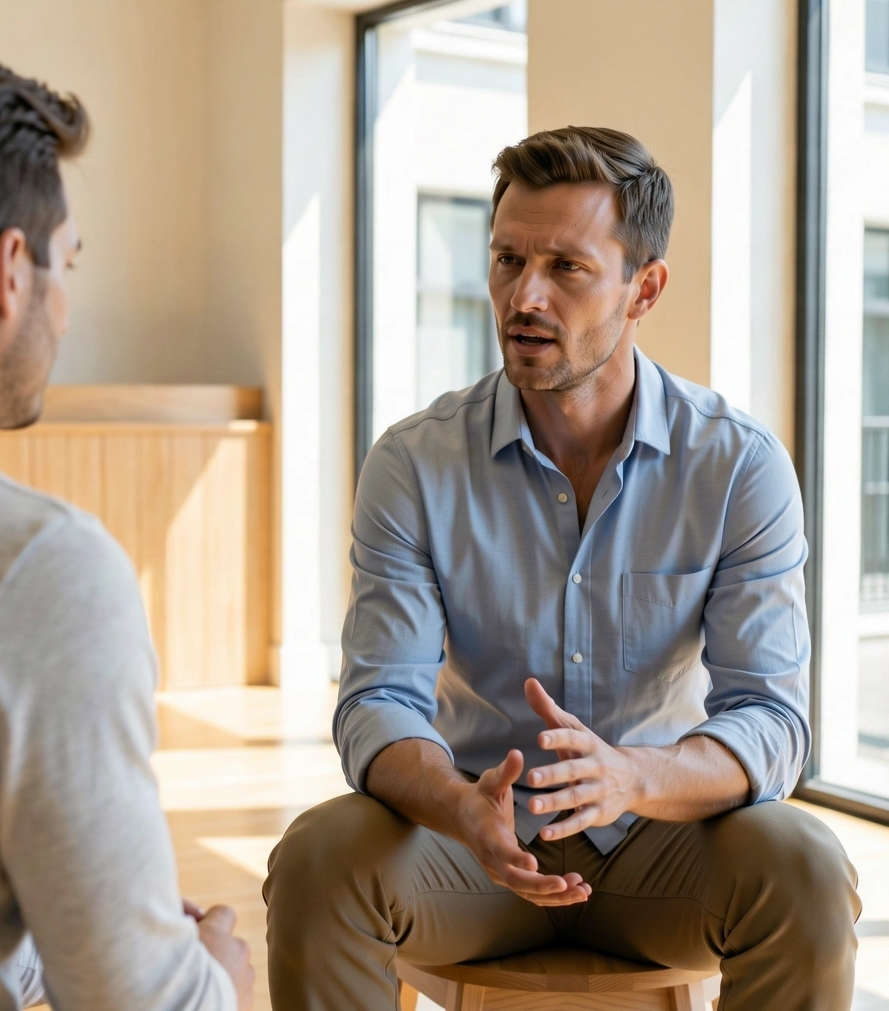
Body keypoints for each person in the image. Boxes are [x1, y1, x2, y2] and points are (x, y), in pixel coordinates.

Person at [264, 127, 861, 1010]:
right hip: (471, 847)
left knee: (807, 869)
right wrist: (460, 806)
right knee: (319, 856)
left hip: (663, 846)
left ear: (643, 288)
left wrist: (632, 778)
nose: (523, 295)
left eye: (567, 268)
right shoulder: (415, 462)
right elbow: (377, 700)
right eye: (507, 260)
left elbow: (771, 719)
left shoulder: (738, 466)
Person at [0, 42, 253, 1011]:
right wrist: (218, 977)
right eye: (65, 261)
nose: (66, 302)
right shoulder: (37, 566)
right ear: (7, 270)